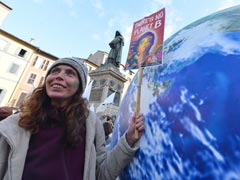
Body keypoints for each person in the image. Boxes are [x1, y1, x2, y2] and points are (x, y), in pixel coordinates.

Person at [0, 57, 144, 180]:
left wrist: (129, 139)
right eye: (54, 71)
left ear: (79, 87)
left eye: (70, 74)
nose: (59, 76)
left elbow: (102, 174)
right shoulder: (16, 124)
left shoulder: (91, 124)